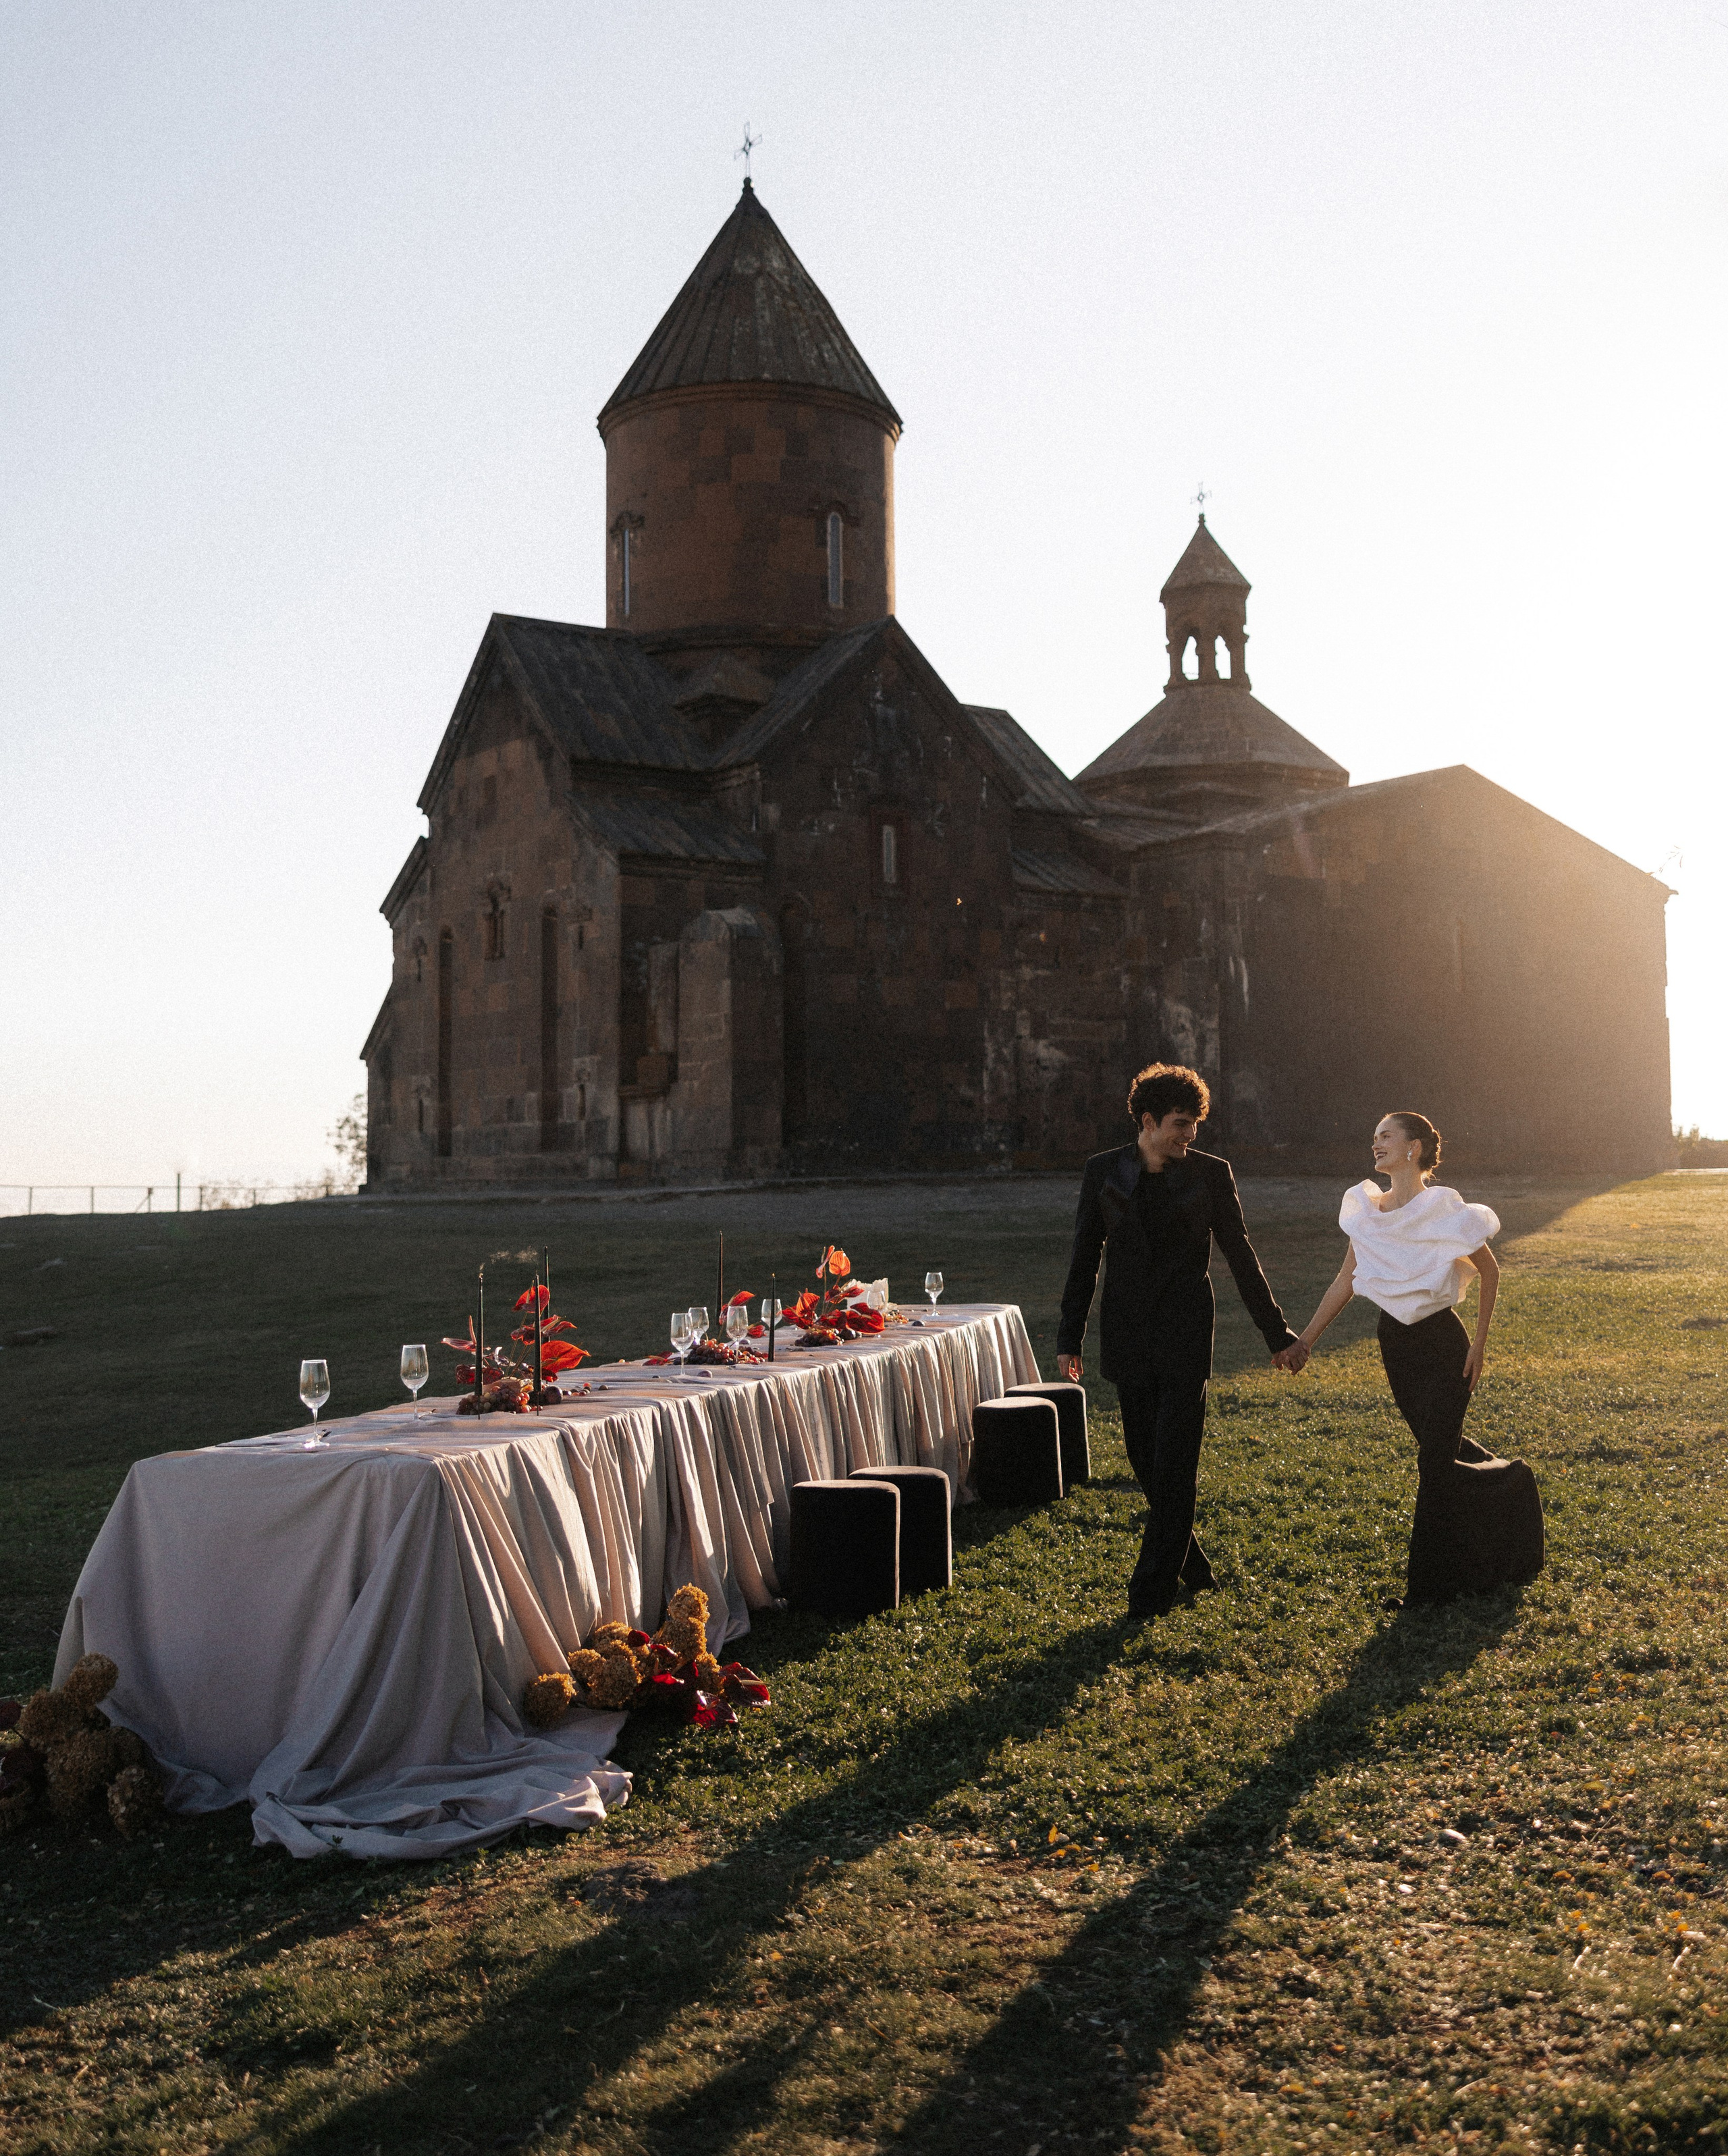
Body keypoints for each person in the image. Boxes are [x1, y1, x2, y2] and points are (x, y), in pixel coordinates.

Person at [1056, 1062, 1304, 1620]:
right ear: (1148, 1122)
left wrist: (1276, 1331)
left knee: (1175, 1462)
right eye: (1180, 1124)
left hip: (1187, 1331)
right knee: (1146, 1460)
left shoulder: (1212, 1175)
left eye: (1194, 1125)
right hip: (1126, 1331)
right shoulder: (1103, 1173)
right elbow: (1083, 1258)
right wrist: (1070, 1336)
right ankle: (1193, 1566)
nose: (1190, 1136)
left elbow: (1241, 1255)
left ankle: (1150, 1591)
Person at [1290, 1110, 1501, 1609]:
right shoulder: (1366, 1212)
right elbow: (1345, 1282)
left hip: (1445, 1343)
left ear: (1415, 1148)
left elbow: (1490, 1273)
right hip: (1396, 1346)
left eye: (1386, 1136)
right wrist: (1306, 1341)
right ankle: (1505, 1492)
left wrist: (1479, 1345)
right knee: (1440, 1448)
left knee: (1433, 1459)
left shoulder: (1445, 1208)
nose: (1376, 1145)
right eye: (1374, 1138)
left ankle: (1428, 1592)